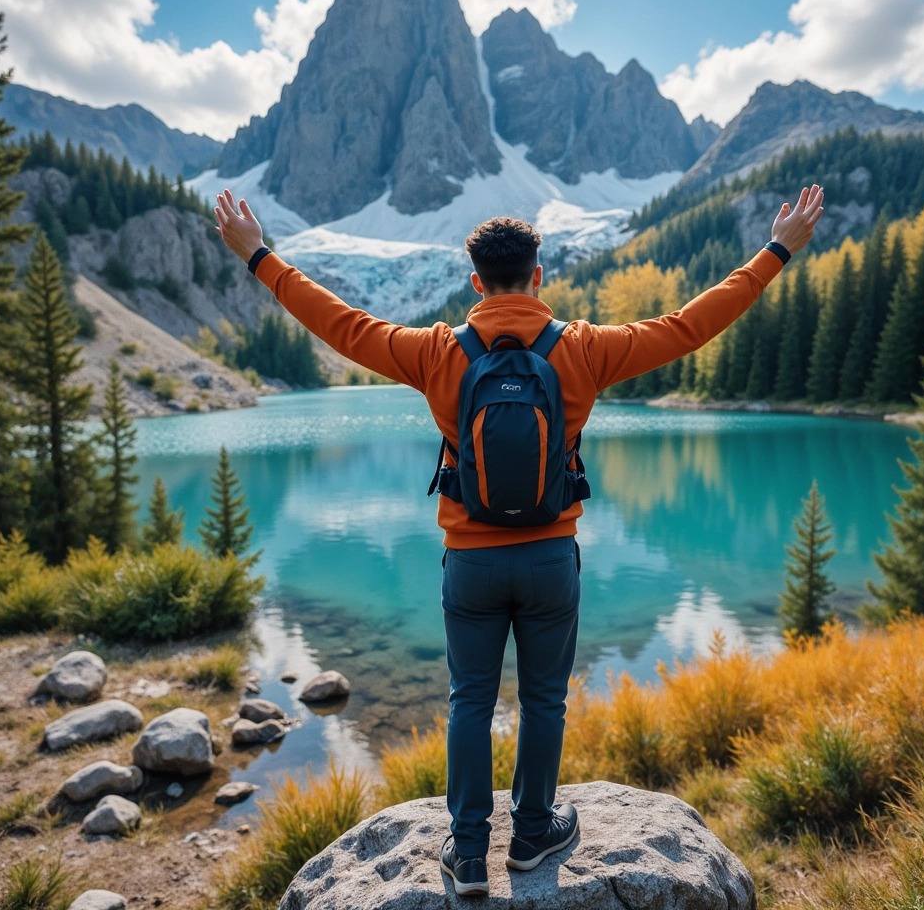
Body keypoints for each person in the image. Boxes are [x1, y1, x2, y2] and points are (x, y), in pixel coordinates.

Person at [213, 183, 824, 897]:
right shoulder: (586, 349)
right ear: (540, 276)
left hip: (469, 562)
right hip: (548, 558)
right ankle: (533, 834)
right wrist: (778, 249)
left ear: (475, 282)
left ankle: (467, 853)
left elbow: (341, 324)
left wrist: (257, 255)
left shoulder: (435, 352)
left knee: (469, 699)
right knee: (543, 699)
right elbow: (692, 324)